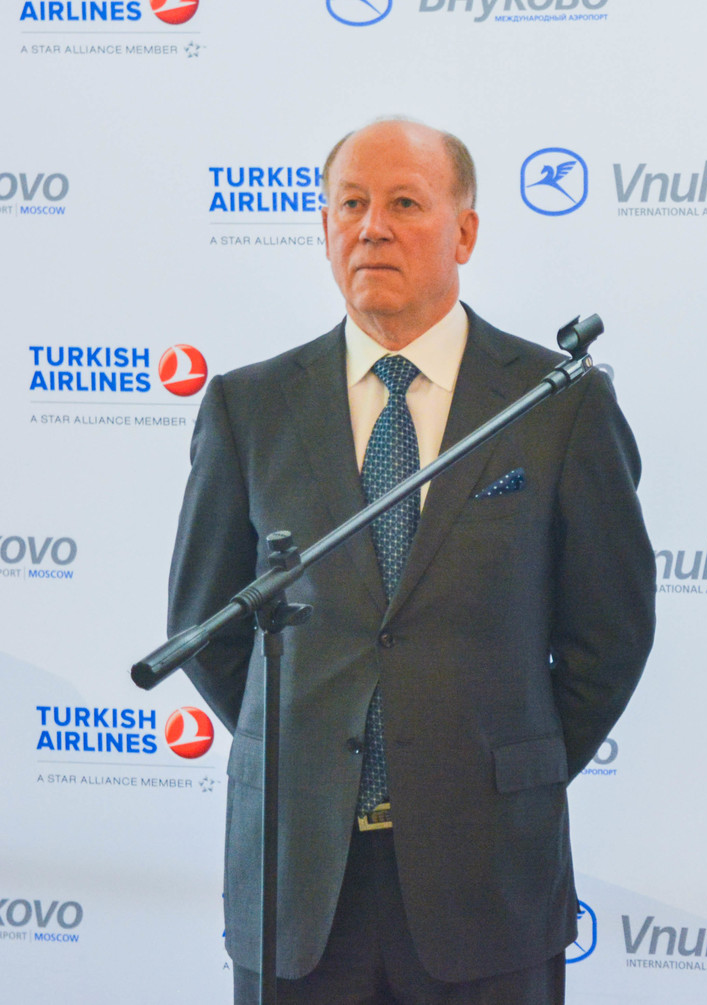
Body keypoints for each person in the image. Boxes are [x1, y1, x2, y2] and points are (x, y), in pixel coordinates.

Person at [166, 119, 657, 1004]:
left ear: (465, 231)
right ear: (323, 228)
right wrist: (314, 751)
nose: (371, 228)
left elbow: (609, 634)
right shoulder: (250, 406)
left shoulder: (557, 401)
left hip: (489, 875)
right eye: (350, 204)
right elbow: (208, 625)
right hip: (298, 882)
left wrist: (507, 764)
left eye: (403, 204)